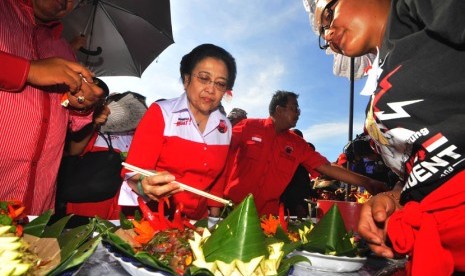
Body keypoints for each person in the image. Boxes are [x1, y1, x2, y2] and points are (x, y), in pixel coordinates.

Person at [313, 0, 465, 274]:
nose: (327, 34)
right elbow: (418, 166)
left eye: (328, 14)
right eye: (322, 35)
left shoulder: (411, 9)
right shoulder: (374, 90)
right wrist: (394, 198)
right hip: (436, 248)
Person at [0, 0, 104, 215]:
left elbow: (72, 119)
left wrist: (82, 104)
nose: (67, 1)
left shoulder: (63, 49)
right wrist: (28, 71)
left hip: (37, 204)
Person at [118, 43, 237, 220]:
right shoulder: (162, 112)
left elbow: (219, 179)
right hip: (155, 217)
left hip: (197, 221)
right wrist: (144, 186)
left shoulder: (225, 126)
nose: (211, 89)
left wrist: (214, 219)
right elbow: (134, 172)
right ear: (187, 80)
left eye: (220, 84)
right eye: (204, 78)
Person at [221, 90, 387, 216]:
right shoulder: (247, 127)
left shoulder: (297, 144)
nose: (298, 113)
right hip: (230, 210)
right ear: (279, 110)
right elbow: (219, 150)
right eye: (294, 108)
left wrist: (367, 182)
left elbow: (327, 167)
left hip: (266, 219)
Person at [279, 129, 317, 218]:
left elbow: (303, 184)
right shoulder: (288, 160)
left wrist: (316, 194)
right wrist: (297, 205)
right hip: (290, 206)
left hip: (297, 205)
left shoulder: (300, 160)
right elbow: (290, 186)